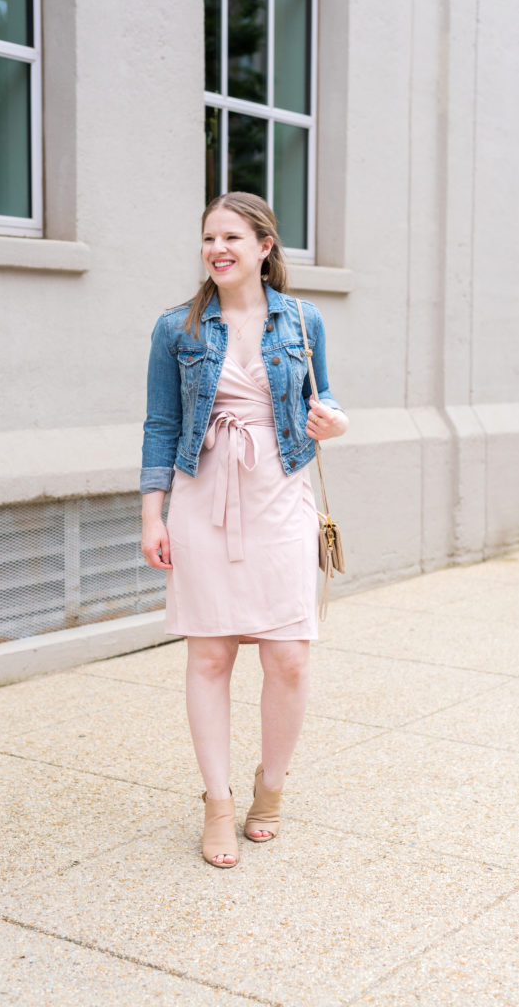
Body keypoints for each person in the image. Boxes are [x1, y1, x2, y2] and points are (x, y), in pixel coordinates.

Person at [140, 192, 348, 868]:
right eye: (208, 238)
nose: (217, 248)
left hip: (281, 491)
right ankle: (219, 803)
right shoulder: (177, 328)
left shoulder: (304, 319)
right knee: (209, 655)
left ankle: (271, 786)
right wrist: (153, 512)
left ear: (264, 245)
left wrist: (334, 420)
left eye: (231, 235)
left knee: (288, 656)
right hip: (204, 495)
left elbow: (324, 398)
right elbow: (161, 424)